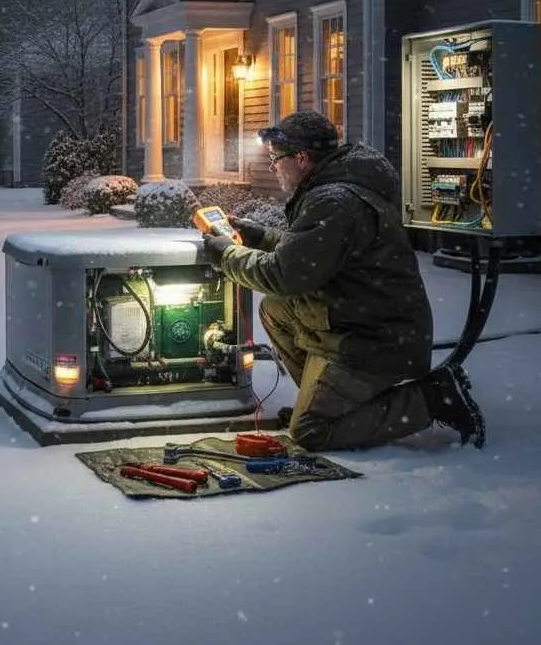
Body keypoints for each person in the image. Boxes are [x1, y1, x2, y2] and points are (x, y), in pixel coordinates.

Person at [201, 110, 485, 451]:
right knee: (277, 311)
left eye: (277, 159)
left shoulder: (333, 201)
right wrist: (259, 236)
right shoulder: (336, 189)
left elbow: (284, 274)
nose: (273, 167)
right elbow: (313, 253)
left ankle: (431, 399)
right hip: (368, 321)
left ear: (302, 158)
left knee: (309, 433)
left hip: (373, 340)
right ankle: (327, 402)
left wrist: (225, 254)